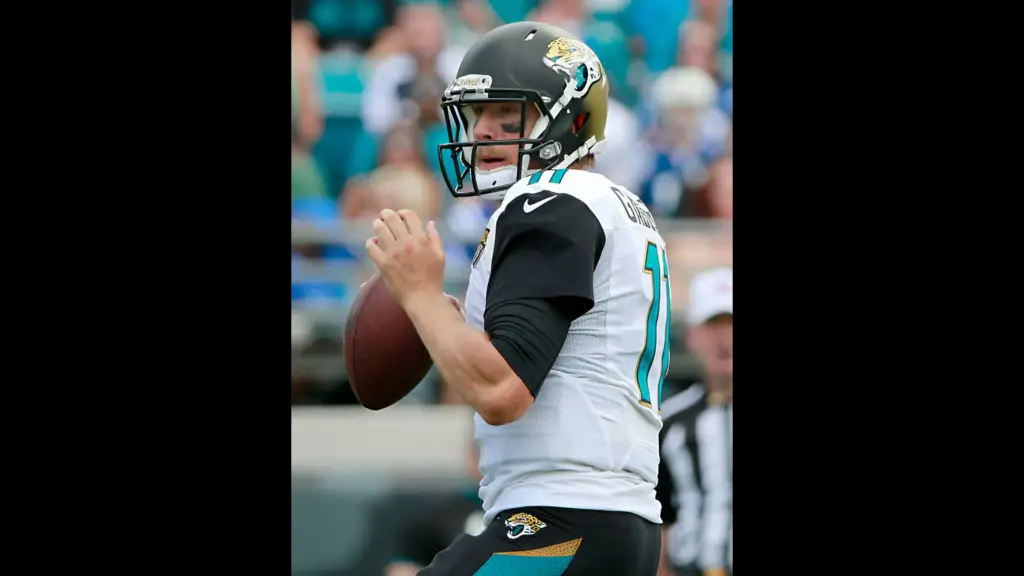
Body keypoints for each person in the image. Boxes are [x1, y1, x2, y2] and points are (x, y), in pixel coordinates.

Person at [364, 22, 668, 575]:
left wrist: (419, 295)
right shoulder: (614, 207)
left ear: (572, 121)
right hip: (598, 520)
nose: (481, 130)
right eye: (476, 113)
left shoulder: (550, 202)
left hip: (561, 522)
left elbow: (502, 389)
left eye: (507, 115)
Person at [656, 268, 733, 576]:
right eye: (713, 325)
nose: (725, 337)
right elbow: (659, 516)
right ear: (691, 335)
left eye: (731, 323)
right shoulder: (668, 421)